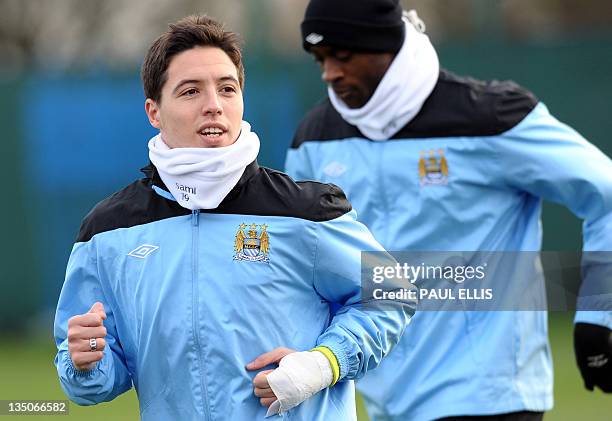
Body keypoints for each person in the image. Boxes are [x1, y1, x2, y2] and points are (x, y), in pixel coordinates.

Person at [53, 15, 415, 421]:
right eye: (191, 91)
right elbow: (94, 379)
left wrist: (322, 363)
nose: (214, 104)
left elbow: (392, 293)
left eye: (227, 88)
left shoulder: (307, 211)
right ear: (154, 112)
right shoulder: (107, 233)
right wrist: (85, 362)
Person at [285, 0, 612, 420]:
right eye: (320, 59)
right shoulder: (313, 139)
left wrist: (598, 316)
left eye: (343, 56)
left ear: (388, 45)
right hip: (384, 402)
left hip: (492, 399)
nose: (330, 72)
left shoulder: (491, 117)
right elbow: (303, 263)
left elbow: (605, 193)